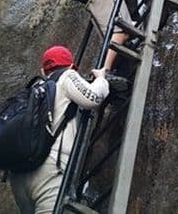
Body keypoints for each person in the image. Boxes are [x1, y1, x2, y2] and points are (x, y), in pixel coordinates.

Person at [9, 45, 110, 214]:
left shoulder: (33, 90)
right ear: (71, 66)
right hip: (50, 171)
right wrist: (101, 79)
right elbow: (93, 98)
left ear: (43, 71)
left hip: (19, 176)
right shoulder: (66, 76)